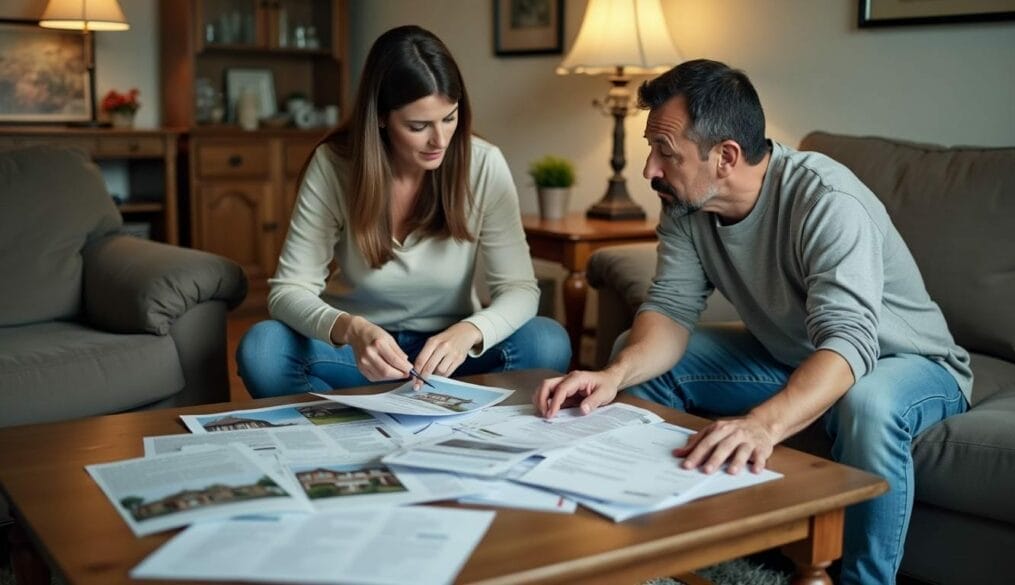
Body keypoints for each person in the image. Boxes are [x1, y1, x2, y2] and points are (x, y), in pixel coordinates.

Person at [534, 59, 970, 585]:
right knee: (636, 353)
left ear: (727, 157)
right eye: (652, 150)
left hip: (908, 360)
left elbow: (851, 343)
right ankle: (655, 548)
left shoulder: (827, 201)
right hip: (792, 355)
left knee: (868, 402)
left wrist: (763, 424)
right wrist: (612, 377)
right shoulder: (684, 206)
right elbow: (670, 310)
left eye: (665, 153)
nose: (650, 169)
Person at [238, 25, 570, 397]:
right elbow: (288, 290)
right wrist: (352, 329)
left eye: (449, 117)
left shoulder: (483, 165)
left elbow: (520, 288)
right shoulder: (334, 166)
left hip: (450, 356)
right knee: (263, 347)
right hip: (357, 355)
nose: (440, 141)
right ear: (380, 117)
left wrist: (469, 333)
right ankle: (368, 423)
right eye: (418, 126)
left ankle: (412, 415)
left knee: (547, 341)